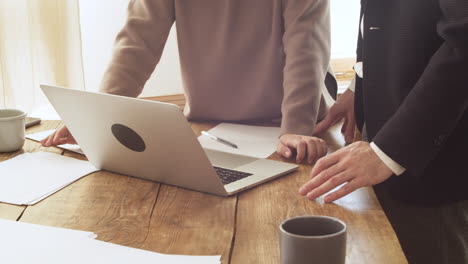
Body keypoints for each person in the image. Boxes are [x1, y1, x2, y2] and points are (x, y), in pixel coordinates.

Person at [42, 0, 337, 164]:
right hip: (207, 126)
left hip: (288, 129)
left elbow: (305, 51)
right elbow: (137, 43)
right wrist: (97, 117)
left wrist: (295, 130)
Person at [299, 0, 468, 263]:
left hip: (429, 166)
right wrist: (358, 84)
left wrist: (390, 149)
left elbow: (463, 42)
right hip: (381, 141)